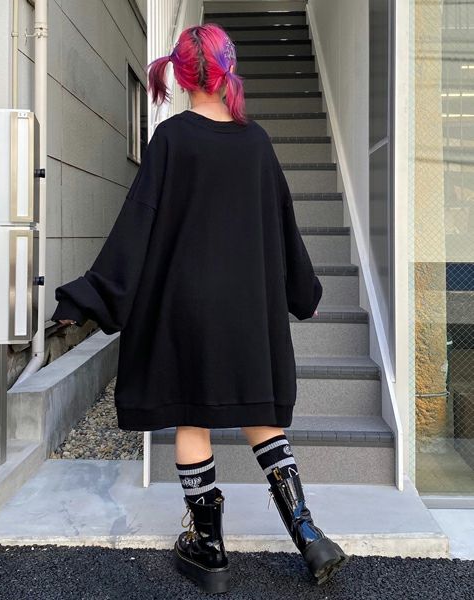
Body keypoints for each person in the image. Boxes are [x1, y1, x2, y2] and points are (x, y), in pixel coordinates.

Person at [52, 23, 350, 594]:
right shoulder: (256, 142)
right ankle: (308, 534)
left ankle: (208, 550)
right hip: (248, 311)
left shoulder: (171, 139)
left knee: (194, 418)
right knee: (262, 417)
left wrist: (87, 297)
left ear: (183, 77)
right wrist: (303, 293)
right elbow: (283, 226)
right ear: (228, 70)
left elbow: (136, 226)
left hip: (186, 309)